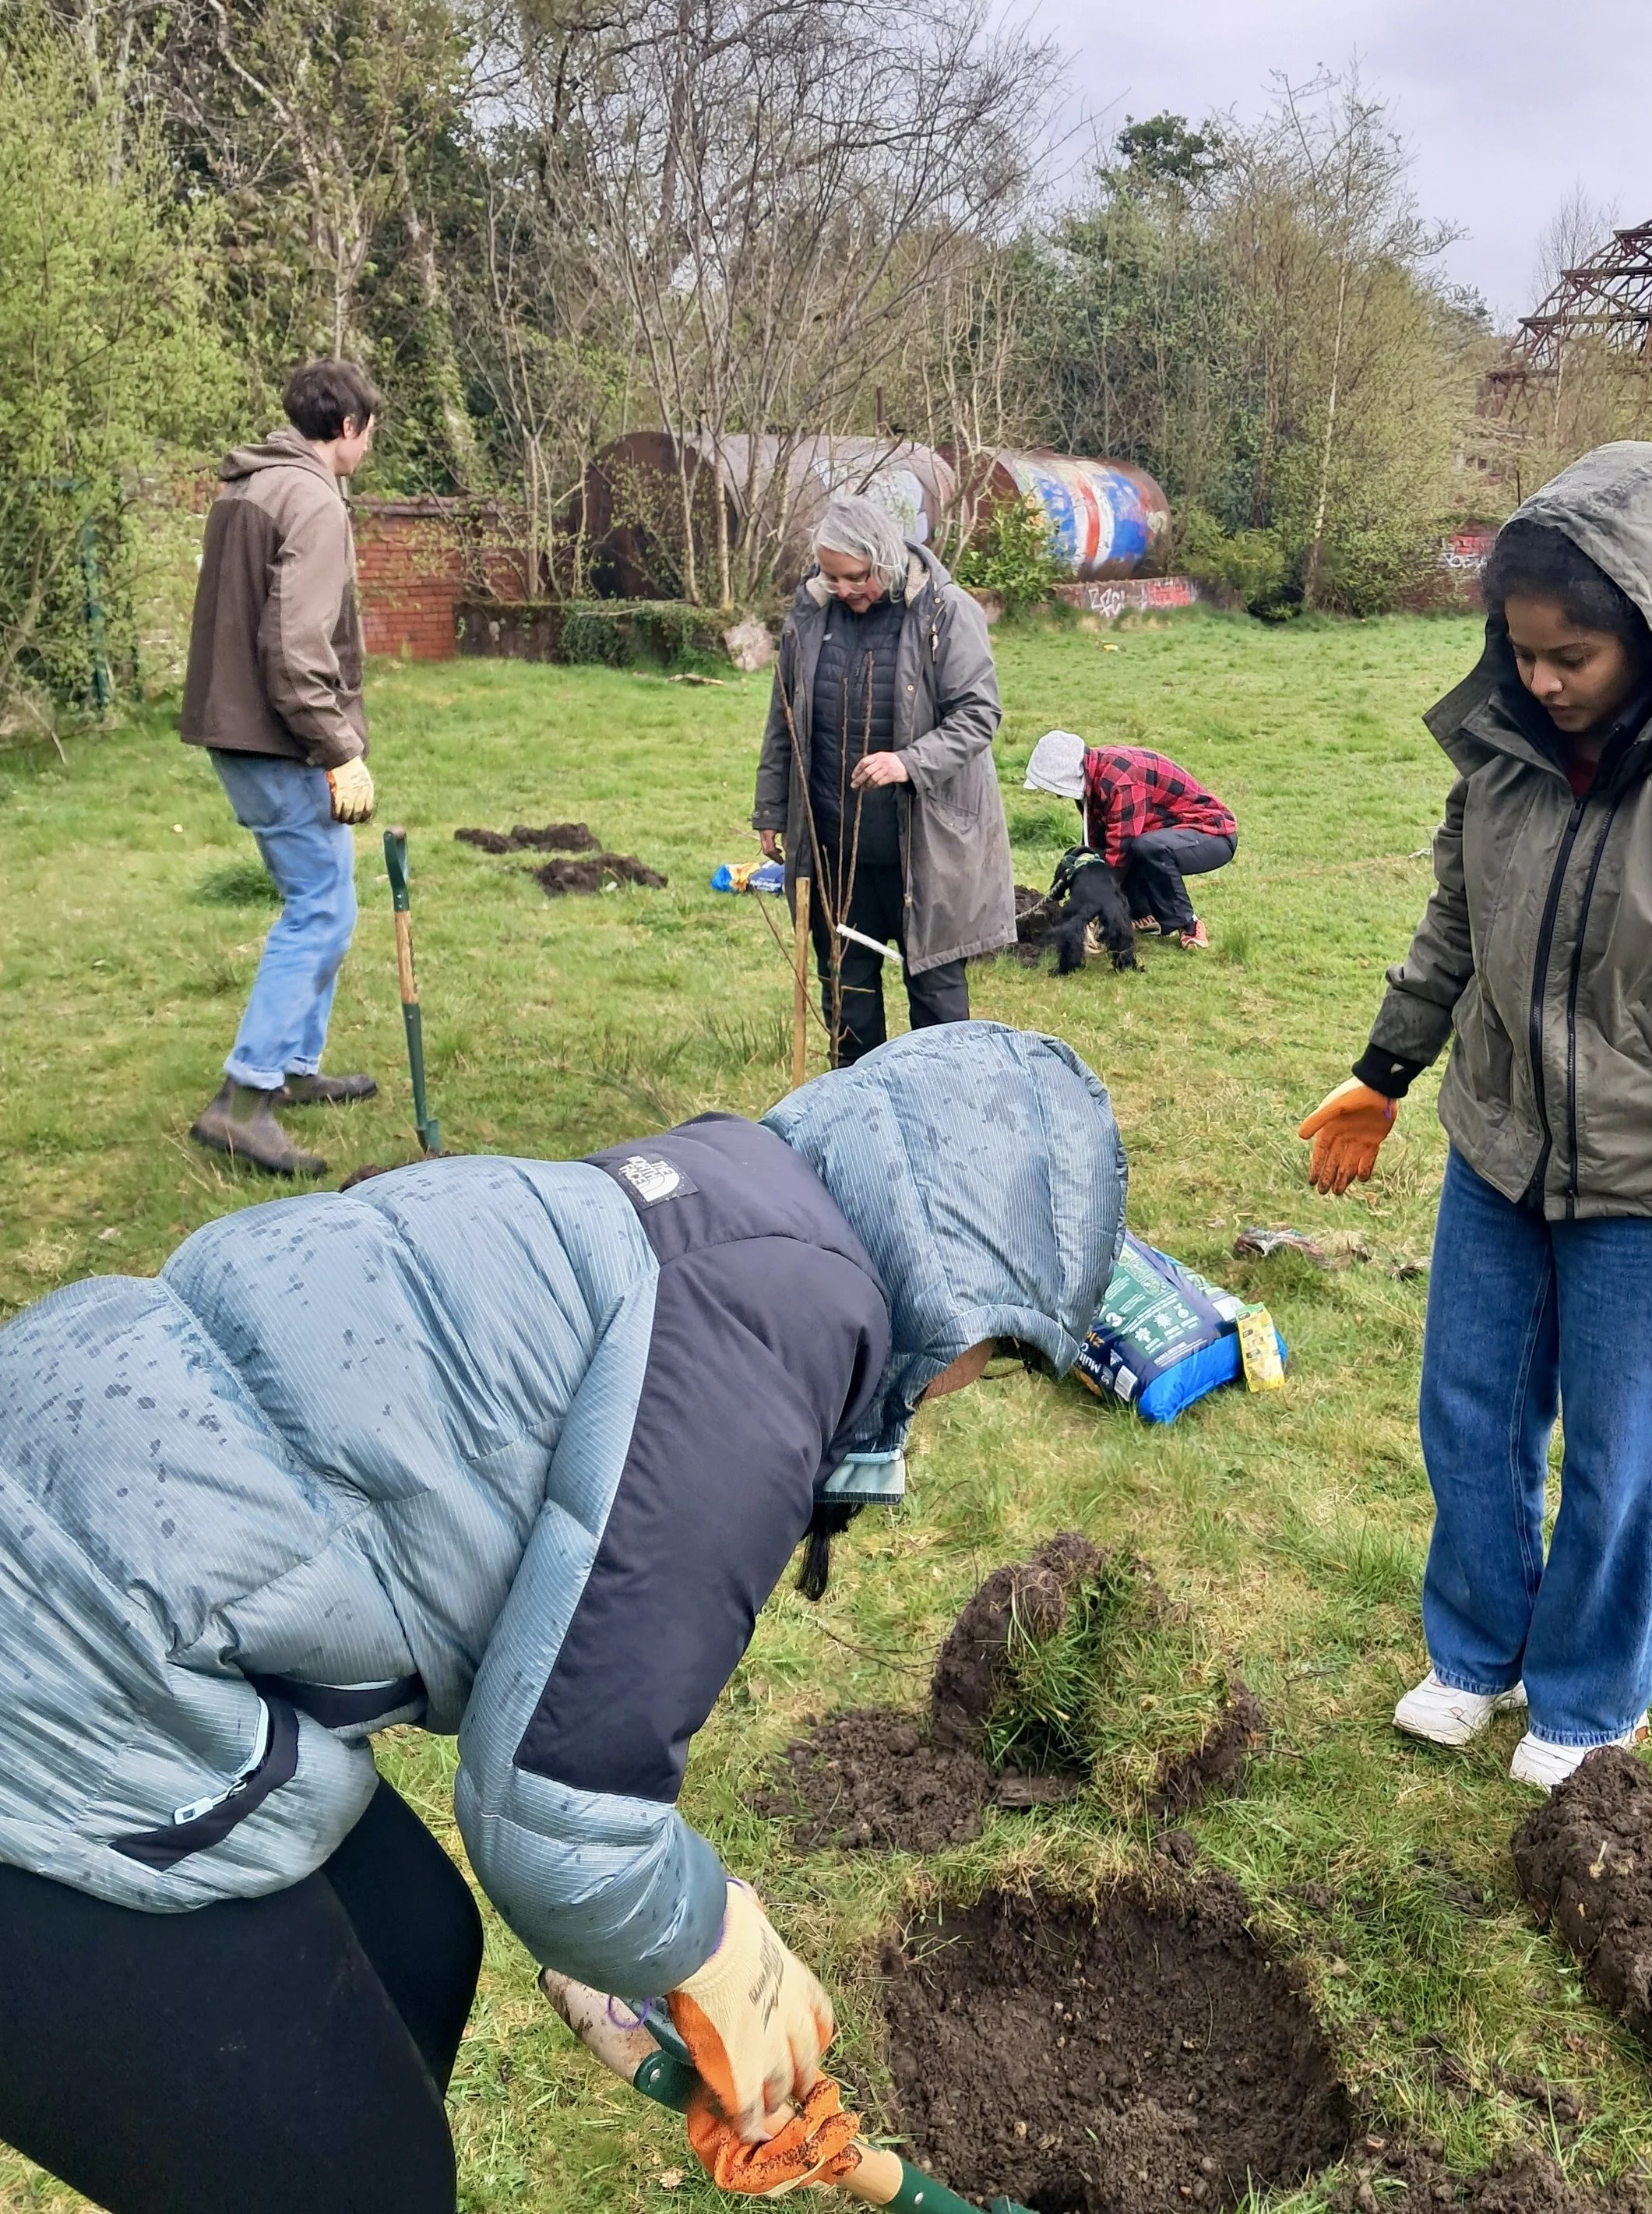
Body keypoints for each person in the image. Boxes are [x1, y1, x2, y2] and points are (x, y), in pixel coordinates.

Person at [0, 1021, 1126, 2213]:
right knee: (360, 2181)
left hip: (83, 1511)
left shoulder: (724, 1207)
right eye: (996, 1356)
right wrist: (709, 1949)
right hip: (56, 1681)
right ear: (962, 1291)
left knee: (420, 1948)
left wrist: (623, 1967)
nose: (960, 1388)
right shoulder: (770, 1337)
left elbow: (541, 1662)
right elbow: (560, 1813)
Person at [1297, 442, 1652, 1791]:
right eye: (1522, 648)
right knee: (1469, 1414)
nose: (1540, 679)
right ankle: (1478, 1654)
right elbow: (1456, 925)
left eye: (1571, 655)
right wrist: (1385, 1069)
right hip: (1497, 1150)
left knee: (1619, 1453)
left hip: (1647, 1191)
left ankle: (1590, 1696)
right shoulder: (1501, 753)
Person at [178, 358, 382, 1177]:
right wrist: (341, 749)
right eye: (370, 432)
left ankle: (294, 1068)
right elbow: (295, 649)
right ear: (348, 430)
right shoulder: (311, 499)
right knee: (320, 915)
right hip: (278, 735)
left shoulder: (248, 486)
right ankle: (244, 1101)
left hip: (241, 730)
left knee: (327, 899)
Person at [754, 497, 1015, 1066]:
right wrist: (771, 808)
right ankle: (858, 1116)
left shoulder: (944, 610)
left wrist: (908, 762)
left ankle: (945, 1114)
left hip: (925, 845)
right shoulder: (810, 615)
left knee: (937, 1001)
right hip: (836, 846)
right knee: (847, 996)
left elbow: (979, 713)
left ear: (886, 562)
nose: (844, 588)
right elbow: (786, 717)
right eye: (831, 575)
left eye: (856, 576)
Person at [1021, 730, 1236, 950]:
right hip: (1165, 832)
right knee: (1127, 850)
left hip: (1211, 834)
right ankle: (1144, 914)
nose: (1056, 795)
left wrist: (1091, 905)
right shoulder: (1092, 780)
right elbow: (1099, 842)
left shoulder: (1120, 782)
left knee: (1147, 848)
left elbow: (1121, 848)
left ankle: (1189, 924)